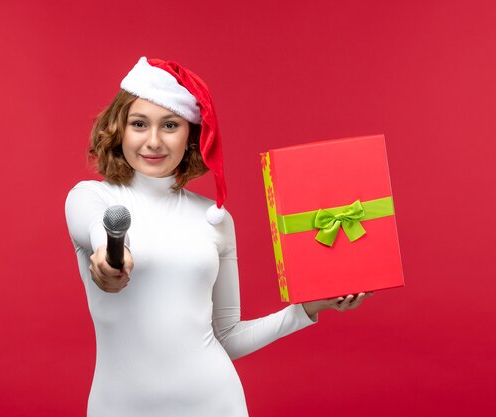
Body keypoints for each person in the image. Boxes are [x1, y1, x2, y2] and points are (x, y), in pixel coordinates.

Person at [65, 57, 371, 417]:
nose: (153, 141)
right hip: (119, 407)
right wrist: (107, 254)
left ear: (191, 135)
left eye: (169, 125)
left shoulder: (215, 219)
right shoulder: (90, 197)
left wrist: (305, 310)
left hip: (215, 404)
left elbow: (227, 337)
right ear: (119, 129)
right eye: (138, 124)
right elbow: (100, 228)